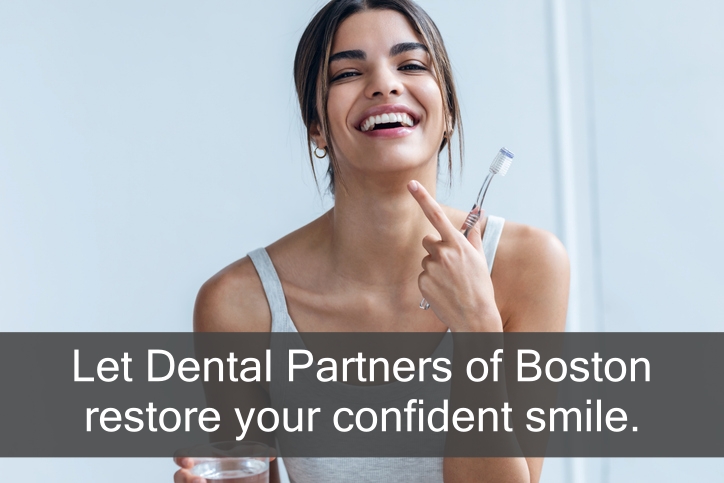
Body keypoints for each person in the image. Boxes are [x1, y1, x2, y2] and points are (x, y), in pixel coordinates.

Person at [174, 0, 569, 481]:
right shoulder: (239, 304)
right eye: (346, 74)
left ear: (447, 114)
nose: (385, 83)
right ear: (316, 127)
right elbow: (244, 471)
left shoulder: (526, 266)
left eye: (411, 65)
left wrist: (476, 329)